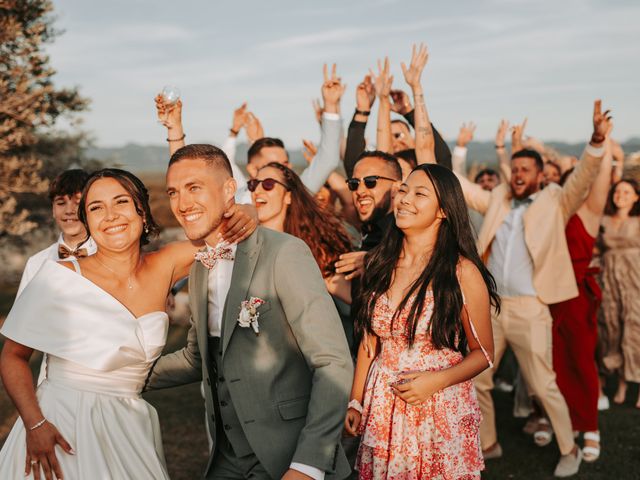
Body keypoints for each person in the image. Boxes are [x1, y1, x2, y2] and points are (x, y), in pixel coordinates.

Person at [0, 168, 256, 479]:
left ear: (142, 212)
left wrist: (246, 208)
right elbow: (12, 357)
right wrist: (35, 424)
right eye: (96, 208)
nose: (110, 216)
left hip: (130, 426)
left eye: (121, 202)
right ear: (88, 221)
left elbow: (225, 233)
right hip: (62, 427)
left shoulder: (168, 262)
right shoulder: (58, 276)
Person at [146, 144, 354, 479]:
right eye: (173, 192)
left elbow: (332, 362)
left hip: (288, 454)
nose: (182, 204)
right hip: (227, 458)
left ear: (229, 189)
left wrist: (308, 464)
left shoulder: (283, 253)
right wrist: (117, 375)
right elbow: (198, 359)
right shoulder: (199, 267)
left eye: (194, 188)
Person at [454, 100, 610, 477]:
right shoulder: (498, 201)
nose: (520, 174)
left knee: (543, 384)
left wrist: (595, 141)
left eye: (526, 169)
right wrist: (458, 150)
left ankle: (569, 447)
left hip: (530, 308)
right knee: (479, 379)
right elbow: (459, 186)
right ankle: (489, 443)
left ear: (540, 175)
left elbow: (584, 177)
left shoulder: (556, 200)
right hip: (492, 307)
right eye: (516, 168)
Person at [344, 162, 498, 479]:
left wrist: (434, 382)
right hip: (383, 405)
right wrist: (356, 401)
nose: (405, 199)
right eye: (403, 190)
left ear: (443, 210)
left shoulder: (461, 271)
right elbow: (370, 342)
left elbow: (483, 353)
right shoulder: (380, 262)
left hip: (438, 407)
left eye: (420, 193)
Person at [155, 63, 345, 202]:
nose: (283, 170)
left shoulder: (295, 196)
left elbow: (328, 159)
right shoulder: (236, 198)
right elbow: (188, 174)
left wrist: (330, 106)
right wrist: (174, 128)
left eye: (285, 163)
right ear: (253, 171)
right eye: (274, 165)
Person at [546, 129, 615, 463]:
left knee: (582, 361)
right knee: (553, 361)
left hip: (577, 296)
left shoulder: (587, 213)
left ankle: (590, 426)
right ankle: (560, 419)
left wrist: (605, 147)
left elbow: (601, 181)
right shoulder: (550, 213)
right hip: (547, 294)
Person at [248, 161, 355, 303]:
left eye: (268, 184)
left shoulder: (311, 250)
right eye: (253, 184)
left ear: (288, 196)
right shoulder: (243, 244)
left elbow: (355, 299)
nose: (257, 191)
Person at [17, 169, 95, 297]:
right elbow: (22, 314)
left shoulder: (109, 258)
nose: (69, 210)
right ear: (53, 209)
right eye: (61, 203)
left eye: (77, 202)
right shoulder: (36, 263)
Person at [599, 178, 640, 408]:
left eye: (627, 191)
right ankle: (623, 381)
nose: (621, 195)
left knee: (636, 329)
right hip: (611, 280)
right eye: (617, 191)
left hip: (635, 280)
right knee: (614, 329)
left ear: (636, 196)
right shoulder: (603, 220)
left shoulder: (638, 221)